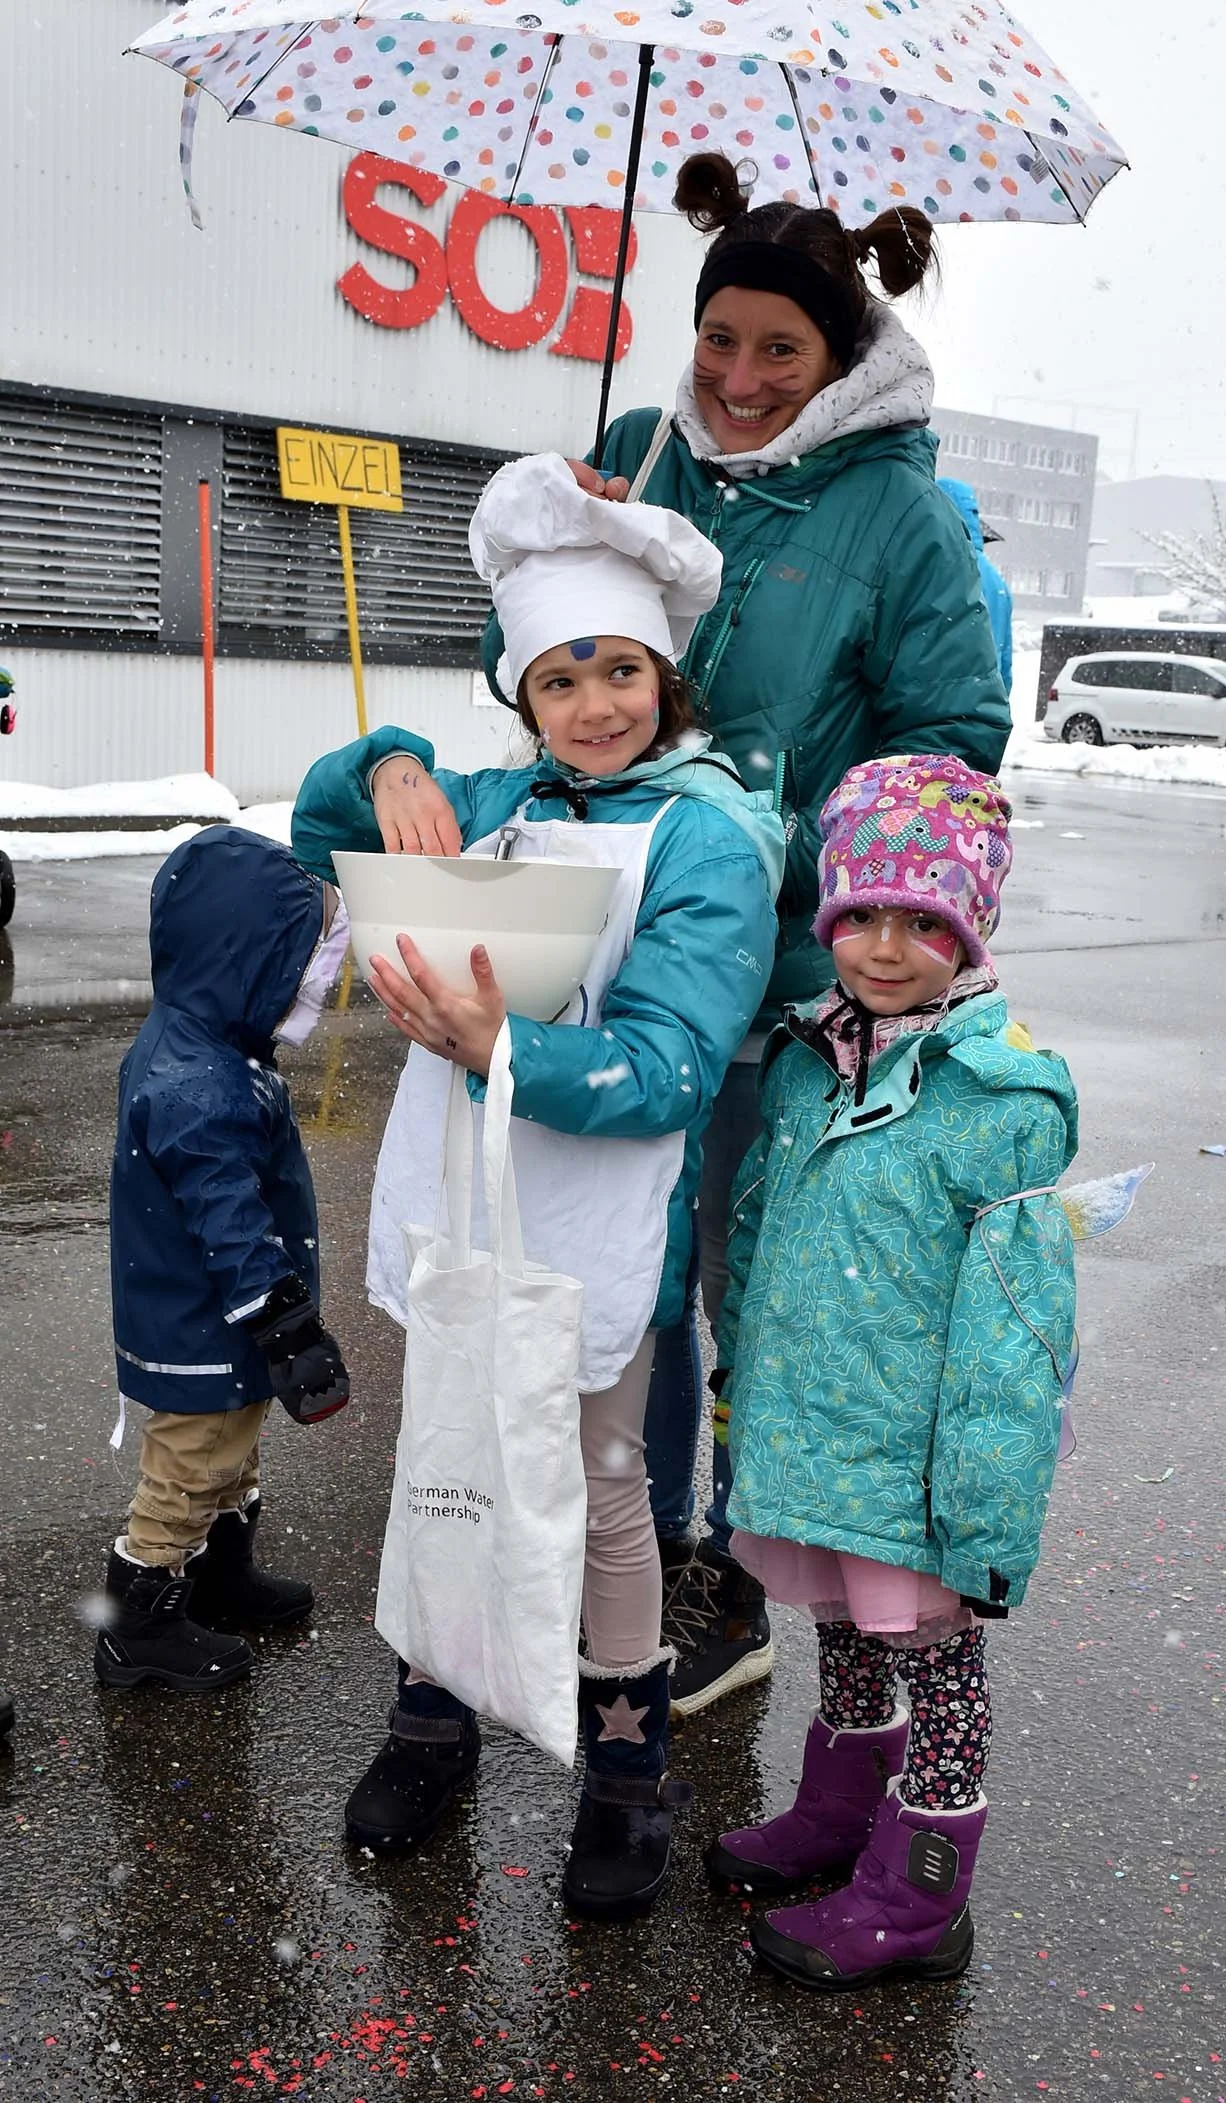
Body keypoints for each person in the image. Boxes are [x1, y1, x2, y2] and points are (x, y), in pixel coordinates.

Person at [480, 152, 1012, 1715]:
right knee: (621, 1264)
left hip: (783, 970)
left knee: (747, 1274)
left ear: (839, 355)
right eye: (721, 338)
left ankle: (736, 1570)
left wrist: (794, 848)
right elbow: (528, 656)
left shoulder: (901, 515)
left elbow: (950, 739)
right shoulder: (637, 453)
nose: (740, 377)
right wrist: (556, 539)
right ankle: (617, 1560)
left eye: (781, 348)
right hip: (609, 937)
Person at [291, 452, 780, 1918]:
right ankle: (430, 1716)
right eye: (559, 677)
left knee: (608, 1486)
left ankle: (625, 1769)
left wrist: (506, 1046)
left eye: (620, 669)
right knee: (445, 1460)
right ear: (522, 694)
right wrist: (382, 763)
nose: (594, 704)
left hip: (595, 1224)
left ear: (666, 675)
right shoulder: (493, 792)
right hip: (462, 1196)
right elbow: (322, 827)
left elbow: (680, 1062)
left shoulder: (710, 833)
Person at [702, 755, 1078, 1989]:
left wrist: (982, 1510)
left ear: (969, 930)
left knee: (934, 1660)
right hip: (813, 1437)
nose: (881, 946)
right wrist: (740, 1392)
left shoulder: (999, 1098)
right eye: (859, 913)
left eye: (925, 920)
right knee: (842, 1631)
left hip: (915, 1465)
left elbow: (1015, 1328)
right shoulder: (812, 1058)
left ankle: (921, 1897)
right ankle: (837, 1812)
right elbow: (758, 1230)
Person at [96, 828, 353, 1694]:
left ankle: (221, 1571)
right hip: (207, 1319)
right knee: (193, 1463)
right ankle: (138, 1621)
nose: (313, 986)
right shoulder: (198, 1084)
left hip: (218, 1321)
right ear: (247, 961)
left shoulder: (215, 1041)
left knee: (233, 1449)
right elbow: (229, 1220)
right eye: (302, 966)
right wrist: (286, 1320)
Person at [941, 478, 1014, 694]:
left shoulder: (946, 570)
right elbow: (1006, 662)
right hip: (986, 709)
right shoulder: (997, 582)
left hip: (948, 706)